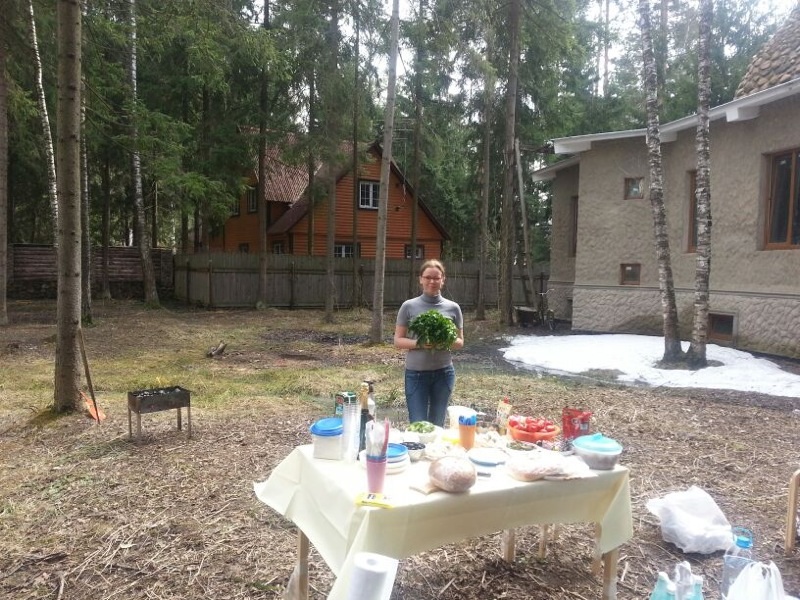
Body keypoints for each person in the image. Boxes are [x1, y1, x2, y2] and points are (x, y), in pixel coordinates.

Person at [394, 259, 464, 427]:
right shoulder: (408, 306)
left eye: (436, 278)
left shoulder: (453, 308)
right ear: (421, 279)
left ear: (443, 279)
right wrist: (420, 343)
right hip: (416, 374)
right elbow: (398, 340)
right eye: (428, 277)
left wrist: (444, 341)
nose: (432, 281)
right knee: (418, 424)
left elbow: (459, 342)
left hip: (444, 374)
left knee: (437, 425)